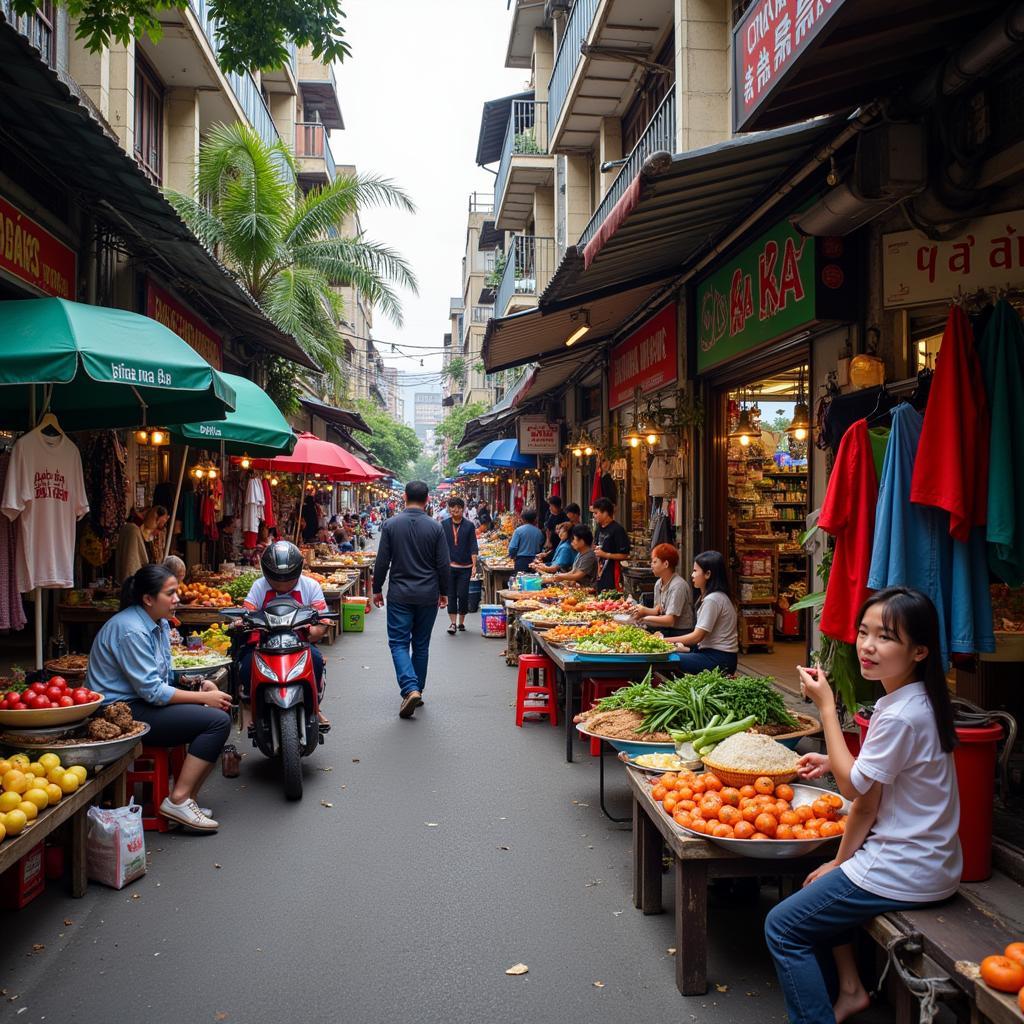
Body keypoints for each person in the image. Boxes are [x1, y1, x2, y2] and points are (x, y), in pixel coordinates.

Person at [766, 587, 961, 1024]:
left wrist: (827, 709)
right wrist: (838, 861)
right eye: (863, 631)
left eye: (886, 636)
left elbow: (856, 792)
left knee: (781, 927)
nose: (868, 646)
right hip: (931, 862)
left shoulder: (898, 715)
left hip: (904, 867)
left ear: (919, 651)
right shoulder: (915, 702)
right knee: (815, 884)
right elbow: (868, 796)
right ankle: (851, 990)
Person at [86, 565, 231, 832]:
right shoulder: (131, 630)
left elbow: (164, 675)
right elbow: (153, 691)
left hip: (142, 703)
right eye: (171, 593)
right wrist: (203, 700)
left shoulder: (159, 624)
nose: (177, 598)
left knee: (220, 710)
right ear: (148, 599)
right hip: (119, 713)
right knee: (216, 721)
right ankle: (178, 800)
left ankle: (187, 800)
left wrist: (200, 686)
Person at [372, 481, 449, 718]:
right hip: (427, 594)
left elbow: (382, 561)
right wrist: (444, 592)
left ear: (404, 497)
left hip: (400, 594)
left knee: (398, 642)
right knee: (421, 644)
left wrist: (376, 588)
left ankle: (410, 688)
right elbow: (443, 564)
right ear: (427, 499)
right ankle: (417, 690)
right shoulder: (436, 528)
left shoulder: (391, 525)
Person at [240, 541, 330, 728]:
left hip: (299, 644)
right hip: (265, 645)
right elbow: (246, 611)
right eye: (276, 578)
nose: (282, 582)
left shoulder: (311, 586)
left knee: (316, 660)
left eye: (287, 578)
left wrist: (316, 630)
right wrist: (241, 622)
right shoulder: (259, 587)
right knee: (246, 666)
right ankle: (250, 707)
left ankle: (315, 706)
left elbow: (323, 620)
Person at [666, 550, 738, 672]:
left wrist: (662, 641)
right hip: (717, 656)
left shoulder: (713, 599)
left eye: (695, 571)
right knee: (675, 655)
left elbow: (696, 637)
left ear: (708, 574)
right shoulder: (717, 597)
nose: (692, 575)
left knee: (667, 660)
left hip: (719, 659)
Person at [631, 543, 694, 636]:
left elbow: (670, 620)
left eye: (655, 562)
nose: (651, 565)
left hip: (680, 633)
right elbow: (658, 611)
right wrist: (642, 610)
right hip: (664, 629)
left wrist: (644, 618)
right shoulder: (658, 583)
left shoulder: (678, 586)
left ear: (666, 564)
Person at [443, 497, 478, 635]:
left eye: (458, 507)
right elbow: (440, 546)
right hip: (449, 566)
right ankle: (452, 623)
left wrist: (474, 565)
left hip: (465, 567)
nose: (455, 509)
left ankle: (461, 622)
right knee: (451, 594)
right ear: (449, 508)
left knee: (463, 594)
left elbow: (473, 546)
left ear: (463, 509)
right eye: (452, 507)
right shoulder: (444, 524)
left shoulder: (469, 526)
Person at [115, 504, 169, 584]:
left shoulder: (139, 532)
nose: (158, 533)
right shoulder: (133, 530)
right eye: (159, 527)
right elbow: (131, 565)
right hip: (134, 583)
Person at [590, 497, 630, 592]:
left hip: (613, 575)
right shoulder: (599, 528)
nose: (594, 516)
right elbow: (597, 545)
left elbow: (625, 555)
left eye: (596, 513)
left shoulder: (618, 530)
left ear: (605, 513)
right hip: (599, 574)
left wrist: (605, 555)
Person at [507, 508, 546, 572]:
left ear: (523, 519)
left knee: (520, 580)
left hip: (521, 561)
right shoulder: (539, 532)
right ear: (534, 519)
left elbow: (512, 548)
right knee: (533, 580)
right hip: (535, 562)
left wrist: (512, 556)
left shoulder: (518, 531)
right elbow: (541, 547)